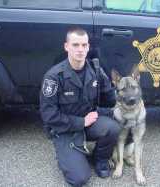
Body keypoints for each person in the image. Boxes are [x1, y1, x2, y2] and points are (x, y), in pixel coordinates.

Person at [39, 27, 121, 187]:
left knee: (113, 127)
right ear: (66, 46)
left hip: (89, 122)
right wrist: (81, 122)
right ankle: (66, 155)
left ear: (88, 47)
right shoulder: (54, 77)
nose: (80, 49)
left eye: (84, 45)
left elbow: (110, 100)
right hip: (65, 129)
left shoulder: (95, 70)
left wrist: (109, 84)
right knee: (79, 178)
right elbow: (49, 116)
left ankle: (100, 159)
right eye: (75, 45)